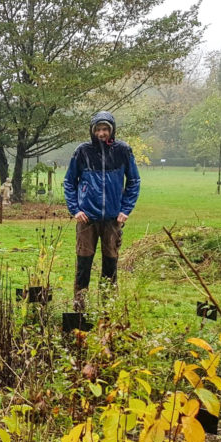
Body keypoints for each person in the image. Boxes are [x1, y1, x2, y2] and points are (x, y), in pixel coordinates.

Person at [63, 111, 140, 311]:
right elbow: (69, 182)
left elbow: (133, 181)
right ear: (92, 131)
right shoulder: (83, 152)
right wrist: (75, 210)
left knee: (110, 265)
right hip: (87, 219)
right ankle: (80, 306)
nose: (102, 133)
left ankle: (108, 308)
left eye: (105, 129)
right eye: (98, 129)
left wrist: (125, 209)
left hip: (113, 219)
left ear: (112, 130)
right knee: (83, 265)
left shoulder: (123, 151)